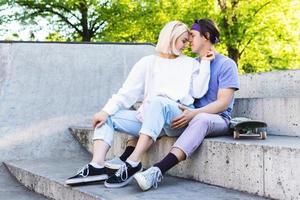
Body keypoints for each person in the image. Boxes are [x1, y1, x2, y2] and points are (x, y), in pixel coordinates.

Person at [65, 20, 214, 188]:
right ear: (171, 37)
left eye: (188, 41)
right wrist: (105, 111)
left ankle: (133, 161)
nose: (186, 45)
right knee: (109, 117)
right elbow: (126, 93)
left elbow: (198, 92)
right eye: (183, 40)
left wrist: (206, 63)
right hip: (150, 119)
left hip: (176, 118)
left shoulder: (191, 63)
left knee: (158, 102)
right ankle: (97, 166)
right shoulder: (147, 62)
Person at [124, 18, 239, 191]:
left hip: (216, 119)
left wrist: (194, 113)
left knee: (201, 119)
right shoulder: (191, 64)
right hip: (188, 115)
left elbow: (223, 103)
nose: (188, 40)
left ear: (206, 36)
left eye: (192, 35)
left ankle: (157, 170)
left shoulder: (226, 64)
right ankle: (124, 161)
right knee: (153, 112)